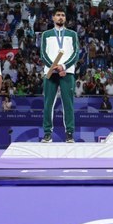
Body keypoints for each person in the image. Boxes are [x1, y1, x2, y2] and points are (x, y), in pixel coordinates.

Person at [39, 8, 79, 143]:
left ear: (65, 19)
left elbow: (76, 54)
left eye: (63, 15)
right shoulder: (46, 34)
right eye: (58, 15)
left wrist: (64, 66)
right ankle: (47, 133)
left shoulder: (72, 34)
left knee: (68, 104)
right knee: (48, 104)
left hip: (67, 72)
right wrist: (54, 67)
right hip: (50, 72)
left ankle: (69, 133)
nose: (60, 17)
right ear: (53, 18)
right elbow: (43, 54)